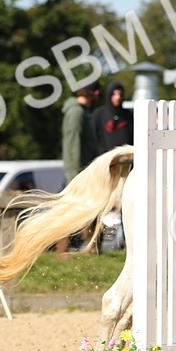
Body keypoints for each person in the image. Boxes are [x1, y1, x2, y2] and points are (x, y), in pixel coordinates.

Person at [60, 84, 101, 255]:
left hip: (82, 168)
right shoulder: (76, 112)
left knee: (86, 207)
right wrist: (77, 172)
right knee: (71, 209)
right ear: (94, 93)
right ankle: (62, 250)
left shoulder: (83, 111)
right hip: (77, 169)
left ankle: (92, 248)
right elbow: (73, 143)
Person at [93, 80, 134, 151]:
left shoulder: (128, 115)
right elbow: (93, 138)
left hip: (126, 155)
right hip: (105, 156)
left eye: (120, 94)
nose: (117, 97)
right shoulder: (99, 114)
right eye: (114, 94)